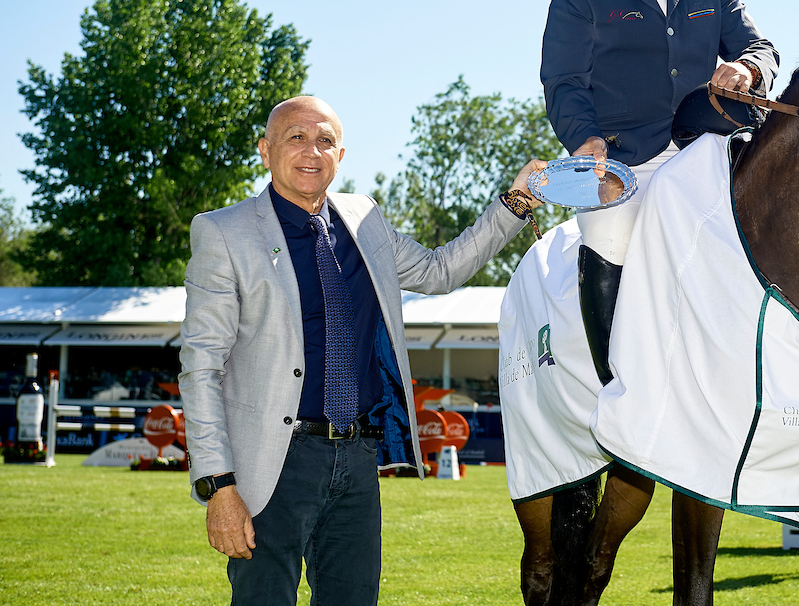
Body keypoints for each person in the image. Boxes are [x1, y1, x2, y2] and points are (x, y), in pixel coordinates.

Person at [178, 95, 545, 605]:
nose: (312, 151)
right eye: (295, 137)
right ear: (265, 150)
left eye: (325, 140)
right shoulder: (223, 231)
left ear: (342, 155)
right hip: (270, 465)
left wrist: (516, 203)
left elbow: (440, 271)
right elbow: (201, 367)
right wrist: (218, 485)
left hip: (356, 459)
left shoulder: (363, 217)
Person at [540, 0, 779, 385]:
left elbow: (761, 47)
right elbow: (563, 81)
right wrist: (586, 140)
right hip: (624, 160)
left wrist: (746, 67)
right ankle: (616, 389)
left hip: (710, 149)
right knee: (609, 231)